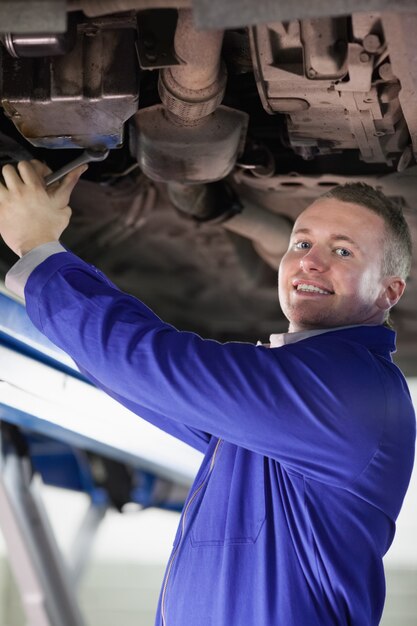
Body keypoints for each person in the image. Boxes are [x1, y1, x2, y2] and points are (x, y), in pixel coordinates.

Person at [0, 159, 415, 626]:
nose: (310, 261)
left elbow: (154, 367)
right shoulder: (298, 408)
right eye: (301, 242)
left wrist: (38, 249)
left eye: (343, 252)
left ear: (389, 292)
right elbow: (150, 384)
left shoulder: (348, 387)